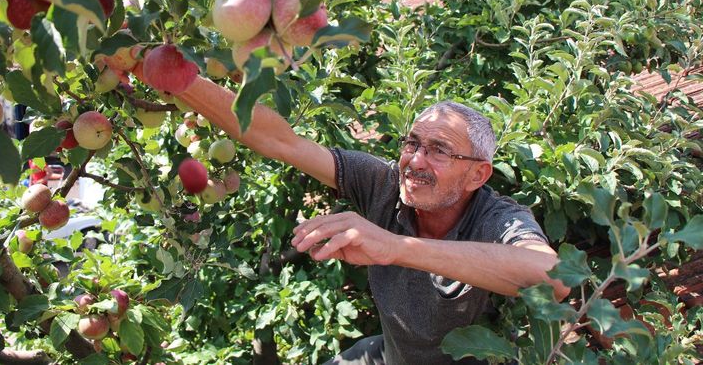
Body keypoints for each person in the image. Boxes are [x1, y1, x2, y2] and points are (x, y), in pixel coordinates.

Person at [176, 77, 570, 365]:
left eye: (439, 151)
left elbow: (552, 278)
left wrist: (396, 247)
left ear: (477, 175)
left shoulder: (496, 219)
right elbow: (283, 141)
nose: (415, 160)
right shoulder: (383, 183)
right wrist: (176, 76)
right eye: (412, 143)